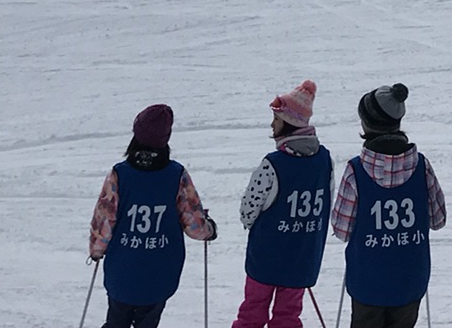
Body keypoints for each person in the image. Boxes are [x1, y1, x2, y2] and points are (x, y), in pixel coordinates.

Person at [90, 104, 218, 328]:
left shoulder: (120, 174)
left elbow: (104, 219)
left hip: (122, 271)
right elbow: (193, 223)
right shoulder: (176, 175)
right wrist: (208, 229)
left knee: (116, 321)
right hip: (159, 274)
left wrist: (97, 249)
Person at [332, 83, 446, 328]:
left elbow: (342, 230)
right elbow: (438, 220)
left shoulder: (356, 171)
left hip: (367, 283)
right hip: (410, 281)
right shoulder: (421, 167)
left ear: (367, 124)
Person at [234, 80, 332, 328]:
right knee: (288, 316)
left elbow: (248, 211)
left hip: (266, 257)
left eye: (276, 120)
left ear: (289, 124)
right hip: (302, 256)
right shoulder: (324, 160)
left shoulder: (273, 164)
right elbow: (326, 200)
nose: (271, 124)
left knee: (252, 312)